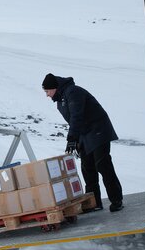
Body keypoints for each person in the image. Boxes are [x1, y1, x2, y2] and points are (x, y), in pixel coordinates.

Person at [42, 73, 124, 213]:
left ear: (54, 88)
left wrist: (72, 138)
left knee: (103, 165)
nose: (47, 95)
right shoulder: (61, 100)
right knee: (87, 168)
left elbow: (76, 116)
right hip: (85, 134)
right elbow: (74, 121)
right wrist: (76, 141)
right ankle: (94, 203)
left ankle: (117, 200)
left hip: (98, 129)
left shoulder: (73, 92)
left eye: (47, 91)